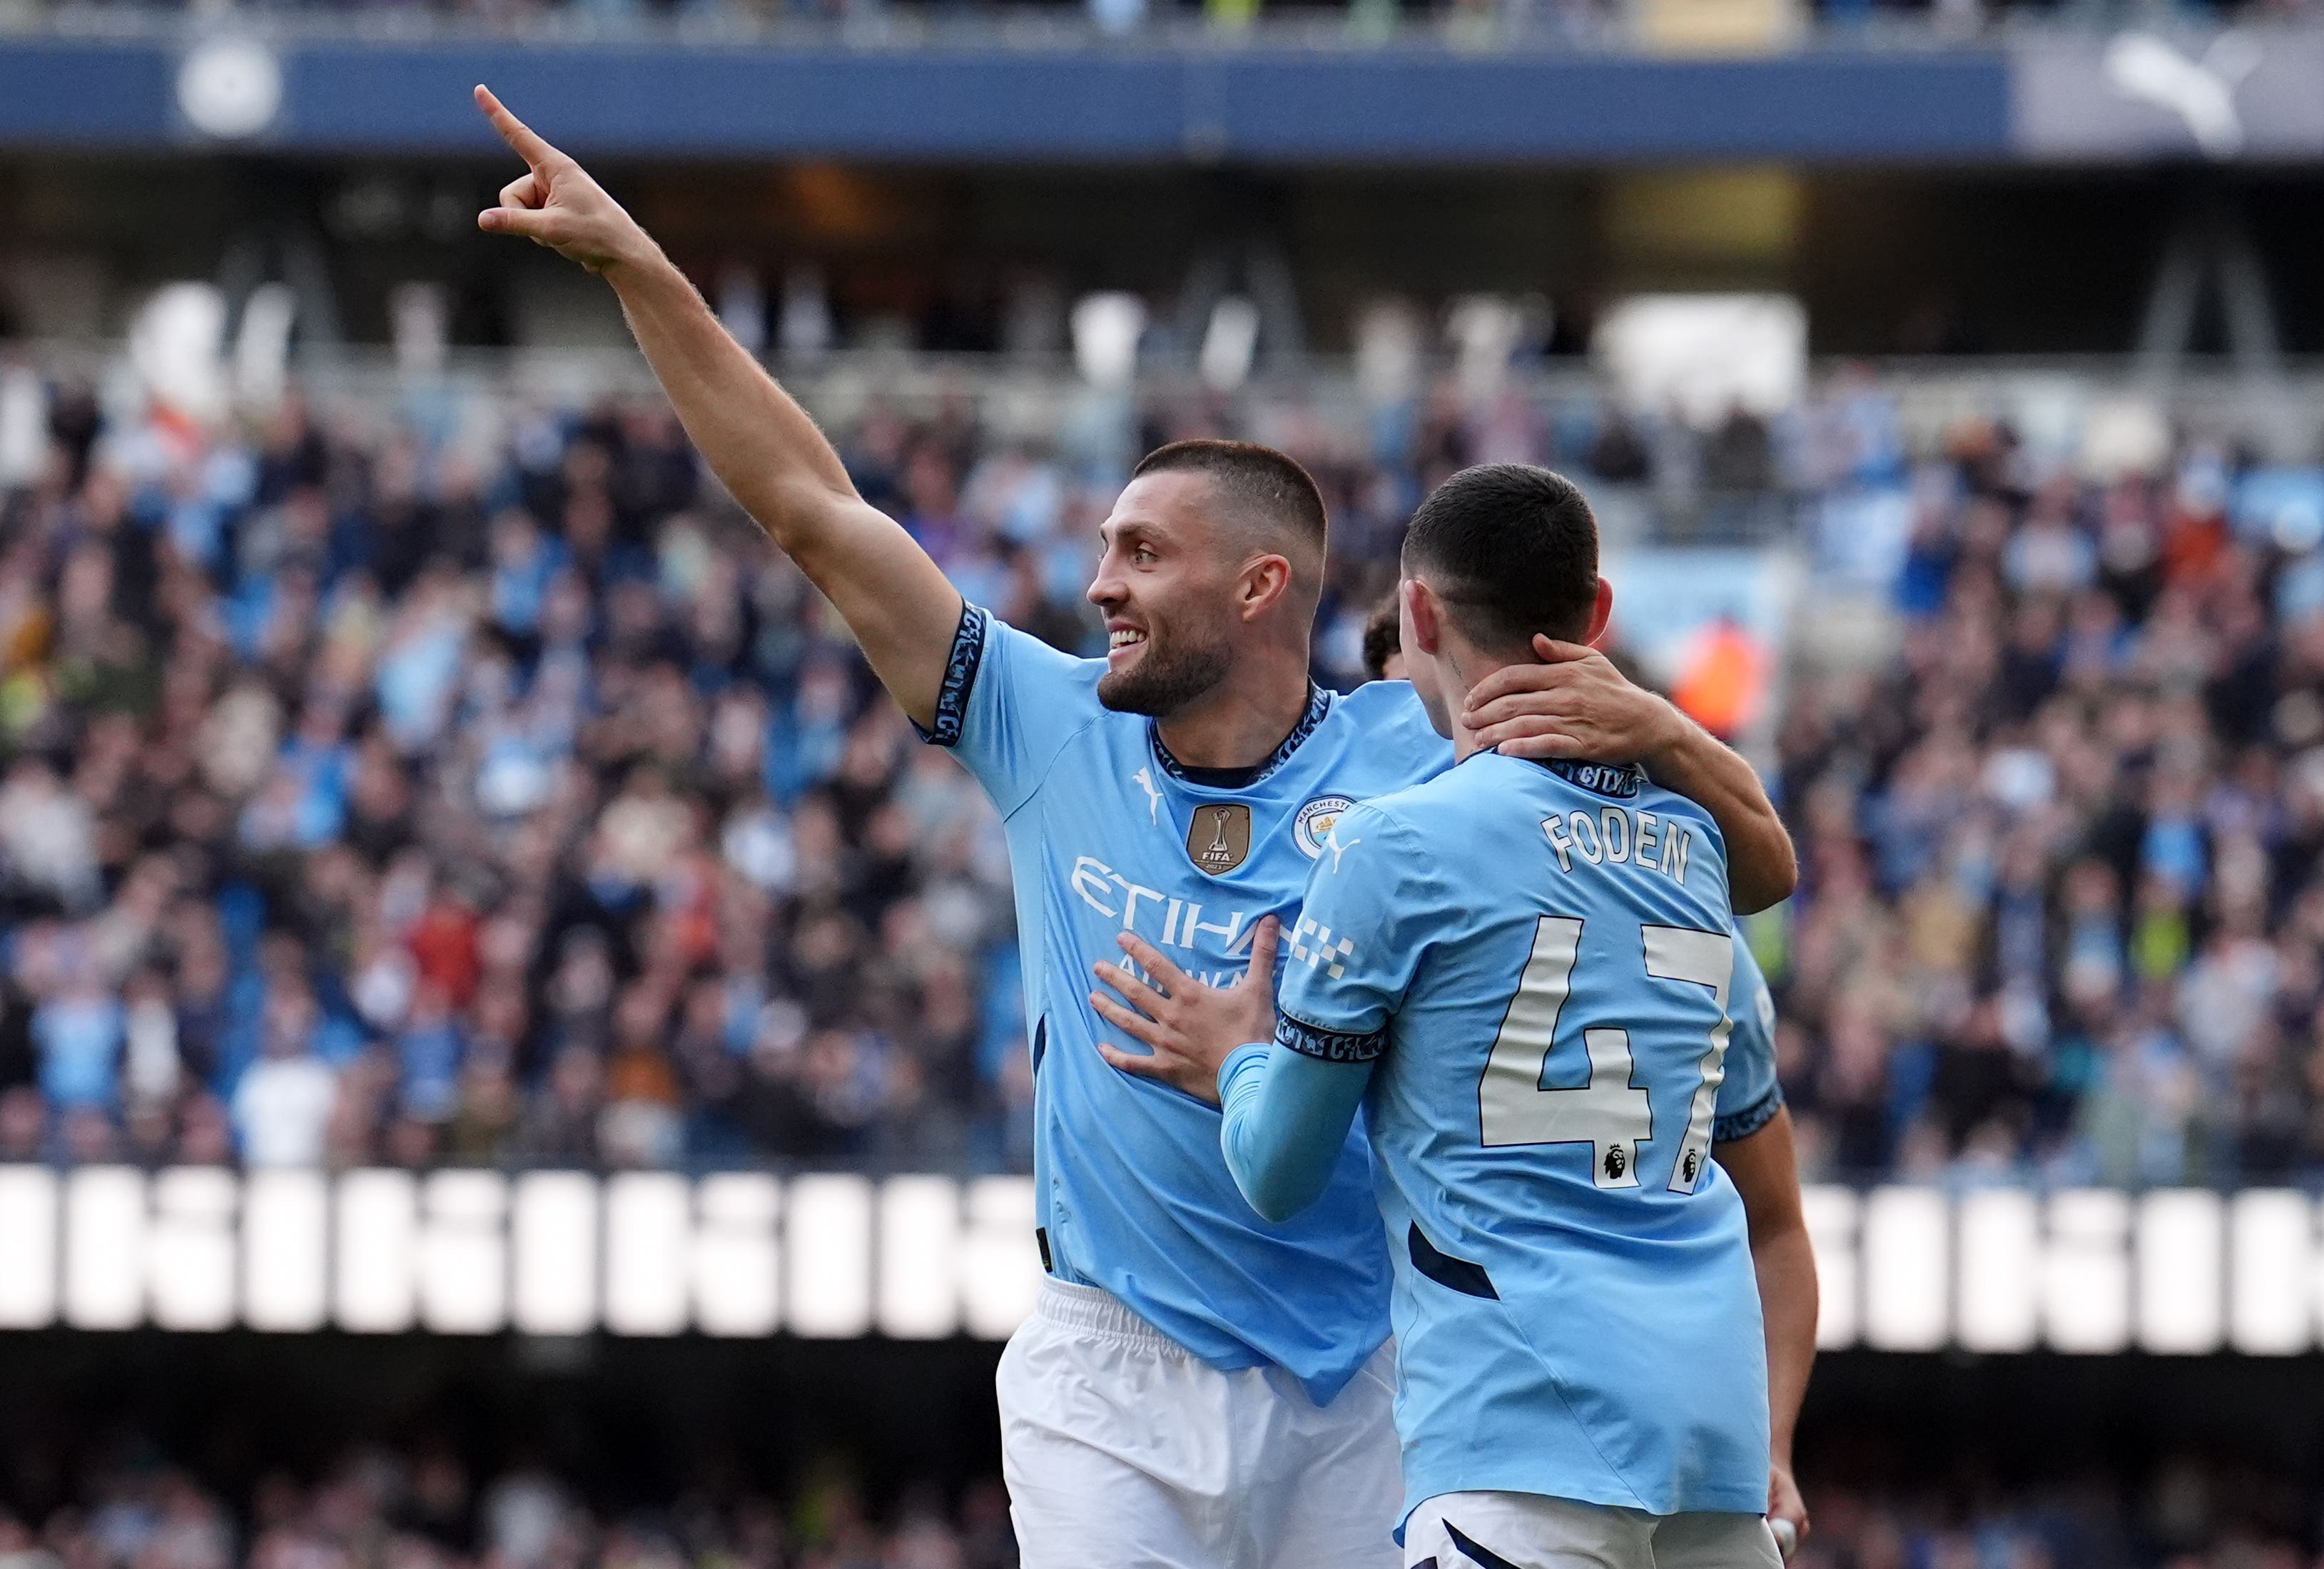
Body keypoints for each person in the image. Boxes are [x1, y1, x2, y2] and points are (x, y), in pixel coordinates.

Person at [472, 89, 1798, 1569]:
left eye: (1142, 550)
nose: (1099, 581)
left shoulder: (1426, 758)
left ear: (1261, 588)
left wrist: (1676, 735)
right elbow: (812, 509)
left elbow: (1740, 866)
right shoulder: (1038, 720)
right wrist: (639, 269)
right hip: (1113, 1367)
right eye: (1104, 545)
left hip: (1378, 1372)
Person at [1097, 464, 1807, 1568]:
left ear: (1417, 615)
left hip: (1524, 1436)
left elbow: (1278, 1173)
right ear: (1597, 616)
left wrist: (1241, 1062)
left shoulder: (1395, 844)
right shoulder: (1699, 844)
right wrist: (1669, 732)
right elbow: (1774, 863)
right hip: (1713, 1450)